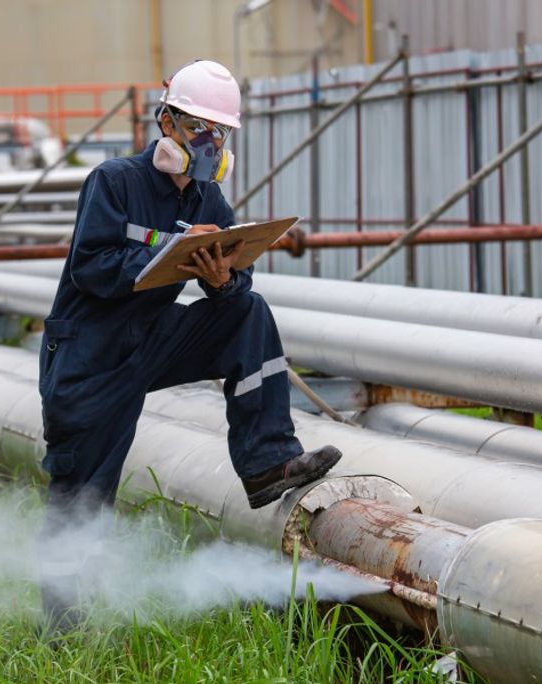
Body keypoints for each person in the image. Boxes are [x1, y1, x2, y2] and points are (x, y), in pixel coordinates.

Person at [36, 60, 342, 629]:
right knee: (83, 493)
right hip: (90, 356)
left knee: (247, 312)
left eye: (219, 132)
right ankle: (60, 627)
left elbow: (235, 286)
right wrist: (173, 244)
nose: (209, 141)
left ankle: (267, 462)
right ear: (167, 122)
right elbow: (91, 268)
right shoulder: (114, 182)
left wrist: (224, 280)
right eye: (198, 127)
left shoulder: (208, 201)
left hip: (151, 341)